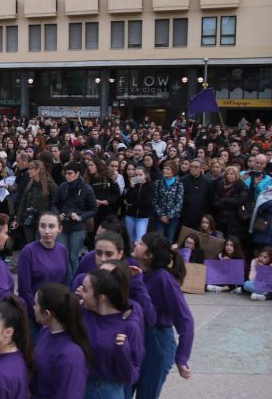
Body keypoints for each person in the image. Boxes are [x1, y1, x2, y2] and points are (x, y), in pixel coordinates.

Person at [132, 232, 194, 398]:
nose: (136, 243)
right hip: (136, 339)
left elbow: (185, 320)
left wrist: (182, 358)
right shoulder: (135, 270)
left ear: (149, 255)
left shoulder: (164, 279)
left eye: (141, 243)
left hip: (158, 343)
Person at [78, 267, 144, 398]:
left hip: (106, 391)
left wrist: (122, 351)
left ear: (102, 297)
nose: (80, 293)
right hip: (79, 383)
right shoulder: (82, 313)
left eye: (85, 290)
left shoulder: (129, 327)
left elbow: (131, 376)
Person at [31, 283, 91, 399]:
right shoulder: (45, 332)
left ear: (46, 313)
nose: (33, 307)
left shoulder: (72, 355)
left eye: (35, 304)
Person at [18, 212, 68, 336]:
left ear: (59, 229)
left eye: (51, 226)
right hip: (35, 315)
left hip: (57, 314)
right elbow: (24, 289)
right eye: (43, 226)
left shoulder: (62, 250)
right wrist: (38, 315)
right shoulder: (28, 251)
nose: (47, 231)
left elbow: (64, 283)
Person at [52, 161, 98, 284]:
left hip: (78, 227)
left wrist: (80, 216)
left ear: (77, 174)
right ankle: (68, 283)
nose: (67, 175)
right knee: (63, 256)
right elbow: (54, 204)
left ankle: (77, 283)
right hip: (63, 226)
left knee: (73, 257)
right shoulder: (62, 187)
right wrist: (58, 214)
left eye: (70, 173)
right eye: (66, 173)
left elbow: (94, 209)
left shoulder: (86, 188)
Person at [13, 160, 57, 244]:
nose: (28, 171)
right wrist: (18, 219)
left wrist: (52, 220)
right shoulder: (30, 184)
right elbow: (23, 202)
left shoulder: (50, 185)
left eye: (31, 169)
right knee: (30, 245)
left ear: (38, 170)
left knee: (41, 245)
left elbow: (55, 203)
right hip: (29, 219)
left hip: (43, 221)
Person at [212, 166, 248, 240]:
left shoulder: (242, 186)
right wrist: (229, 204)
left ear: (236, 175)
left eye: (231, 174)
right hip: (220, 217)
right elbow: (215, 202)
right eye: (227, 174)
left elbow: (240, 200)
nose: (229, 176)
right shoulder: (221, 184)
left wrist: (225, 200)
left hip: (234, 219)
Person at [152, 161, 184, 243]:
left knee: (169, 240)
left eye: (168, 169)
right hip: (160, 217)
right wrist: (162, 215)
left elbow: (179, 203)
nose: (165, 170)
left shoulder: (179, 184)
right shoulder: (158, 183)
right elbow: (154, 200)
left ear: (173, 172)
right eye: (164, 168)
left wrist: (169, 216)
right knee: (159, 240)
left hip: (173, 218)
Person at [123, 166, 154, 242]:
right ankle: (131, 253)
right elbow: (128, 200)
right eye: (136, 175)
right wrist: (132, 187)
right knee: (130, 239)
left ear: (145, 175)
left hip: (143, 217)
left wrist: (134, 202)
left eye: (140, 175)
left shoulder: (150, 186)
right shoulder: (132, 185)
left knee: (139, 239)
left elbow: (147, 202)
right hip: (130, 215)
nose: (138, 177)